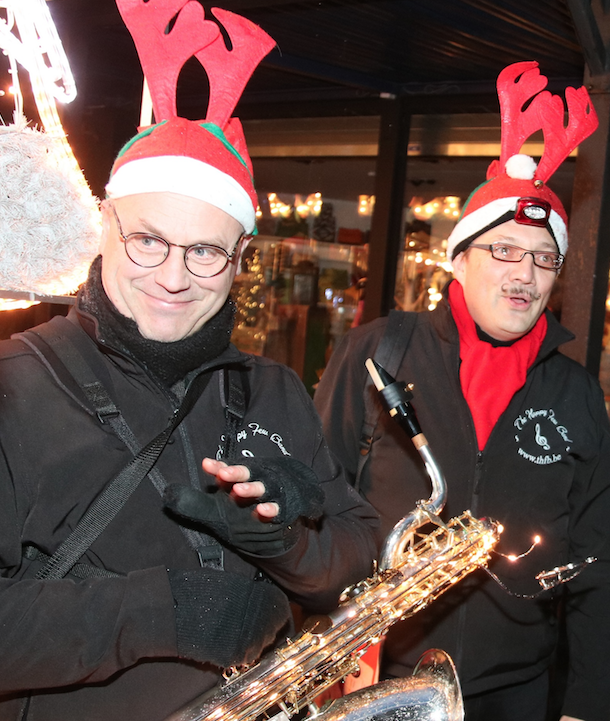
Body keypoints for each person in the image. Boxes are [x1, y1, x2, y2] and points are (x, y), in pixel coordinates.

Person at [0, 5, 377, 719]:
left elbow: (355, 562)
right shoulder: (12, 386)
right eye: (148, 240)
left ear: (241, 257)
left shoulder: (273, 389)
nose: (173, 277)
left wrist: (284, 542)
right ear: (104, 225)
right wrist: (161, 609)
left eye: (205, 251)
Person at [315, 61, 610, 721]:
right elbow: (314, 508)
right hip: (376, 682)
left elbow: (599, 563)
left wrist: (586, 702)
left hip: (516, 691)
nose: (524, 274)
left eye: (543, 257)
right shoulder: (377, 352)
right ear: (458, 259)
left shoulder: (574, 393)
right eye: (503, 251)